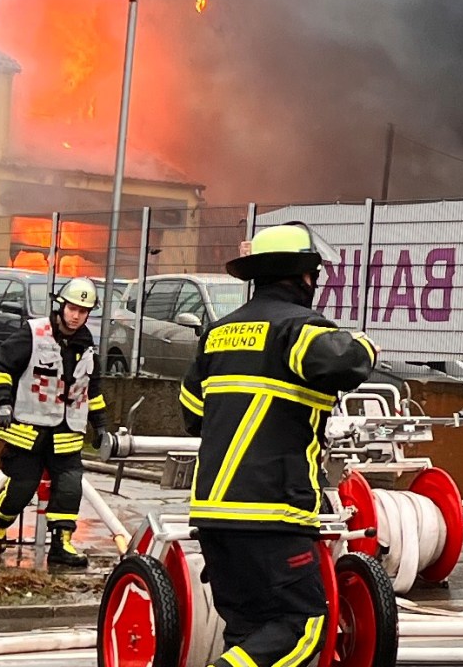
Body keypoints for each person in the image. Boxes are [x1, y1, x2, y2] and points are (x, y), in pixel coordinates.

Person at [180, 222, 378, 667]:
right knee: (302, 628)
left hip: (214, 516)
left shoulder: (217, 334)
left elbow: (193, 415)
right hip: (274, 514)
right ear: (305, 275)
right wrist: (366, 346)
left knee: (250, 632)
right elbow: (344, 361)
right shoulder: (298, 328)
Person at [0, 276, 107, 569]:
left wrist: (101, 426)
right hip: (29, 430)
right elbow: (0, 366)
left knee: (69, 488)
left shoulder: (87, 347)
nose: (76, 316)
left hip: (67, 432)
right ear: (61, 306)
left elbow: (91, 391)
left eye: (83, 311)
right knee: (22, 488)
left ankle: (61, 545)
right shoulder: (34, 333)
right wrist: (3, 402)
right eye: (72, 308)